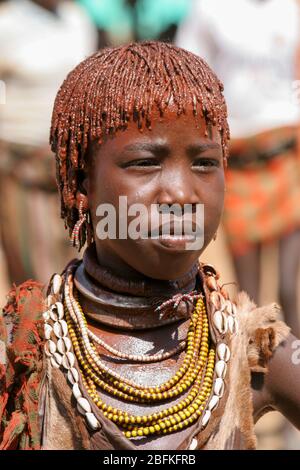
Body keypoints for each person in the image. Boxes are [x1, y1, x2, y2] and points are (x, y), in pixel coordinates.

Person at [0, 42, 299, 451]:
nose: (180, 193)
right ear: (82, 182)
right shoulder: (22, 350)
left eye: (205, 163)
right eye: (144, 162)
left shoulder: (255, 350)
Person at [176, 0, 300, 338]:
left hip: (288, 153)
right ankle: (258, 377)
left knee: (292, 286)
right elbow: (191, 76)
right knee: (252, 293)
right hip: (239, 159)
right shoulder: (209, 10)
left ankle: (296, 377)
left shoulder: (290, 8)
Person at [0, 0, 97, 286]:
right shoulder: (8, 23)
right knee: (35, 265)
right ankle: (36, 328)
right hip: (21, 162)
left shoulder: (76, 19)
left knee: (77, 259)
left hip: (72, 162)